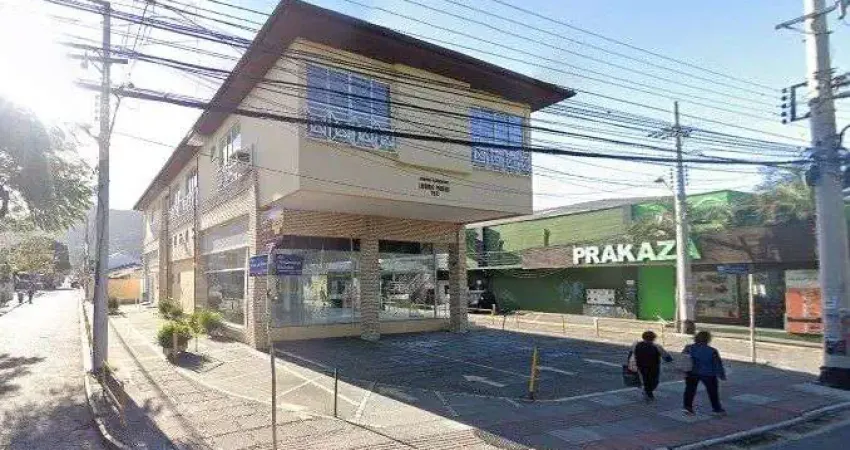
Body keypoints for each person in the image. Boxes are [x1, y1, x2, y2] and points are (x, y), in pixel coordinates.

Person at [682, 331, 726, 416]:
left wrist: (683, 371)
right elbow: (717, 364)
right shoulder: (712, 351)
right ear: (708, 339)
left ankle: (687, 408)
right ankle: (716, 409)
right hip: (708, 374)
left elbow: (683, 359)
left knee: (690, 390)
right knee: (712, 392)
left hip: (692, 372)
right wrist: (721, 374)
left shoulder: (688, 348)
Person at [633, 330, 672, 401]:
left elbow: (633, 354)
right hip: (653, 367)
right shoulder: (656, 346)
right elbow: (666, 356)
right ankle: (649, 393)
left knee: (646, 379)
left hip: (641, 366)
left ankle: (647, 392)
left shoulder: (637, 345)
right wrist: (669, 360)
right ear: (653, 338)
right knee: (654, 381)